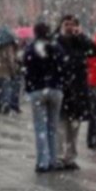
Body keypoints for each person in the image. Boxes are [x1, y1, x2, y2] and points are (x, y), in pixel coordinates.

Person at [55, 14, 96, 169]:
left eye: (73, 24)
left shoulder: (80, 42)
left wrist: (82, 36)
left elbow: (94, 51)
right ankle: (59, 156)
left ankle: (70, 157)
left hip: (78, 89)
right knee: (60, 125)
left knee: (74, 125)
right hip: (62, 87)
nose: (70, 27)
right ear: (61, 25)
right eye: (67, 24)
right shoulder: (56, 41)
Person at [22, 21, 65, 172]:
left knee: (40, 127)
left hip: (37, 90)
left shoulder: (31, 48)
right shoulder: (57, 47)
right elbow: (64, 67)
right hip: (55, 89)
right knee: (53, 127)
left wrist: (29, 87)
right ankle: (53, 160)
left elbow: (26, 69)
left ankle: (42, 162)